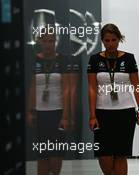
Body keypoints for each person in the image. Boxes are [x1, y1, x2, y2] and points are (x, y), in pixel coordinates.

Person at [87, 23, 139, 175]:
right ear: (102, 40)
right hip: (102, 113)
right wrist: (92, 115)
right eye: (107, 40)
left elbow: (136, 85)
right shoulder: (94, 59)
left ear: (119, 39)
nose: (110, 44)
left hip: (125, 112)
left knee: (120, 155)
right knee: (104, 156)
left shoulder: (129, 58)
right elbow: (92, 88)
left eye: (113, 40)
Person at [26, 25, 70, 175]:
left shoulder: (62, 60)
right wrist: (30, 111)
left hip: (57, 113)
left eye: (51, 41)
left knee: (56, 155)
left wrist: (65, 116)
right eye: (45, 41)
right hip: (40, 114)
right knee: (42, 155)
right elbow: (32, 87)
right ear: (40, 42)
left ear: (55, 42)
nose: (48, 44)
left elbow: (66, 89)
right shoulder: (35, 60)